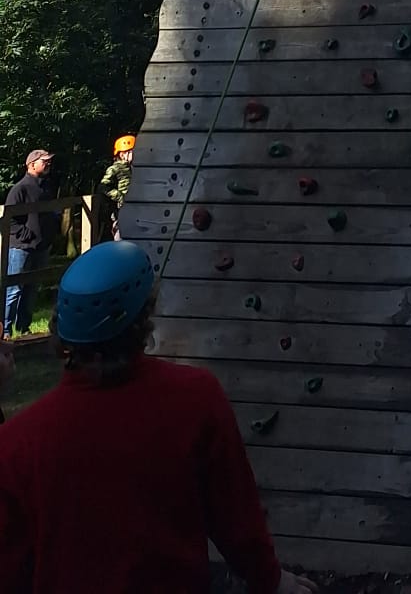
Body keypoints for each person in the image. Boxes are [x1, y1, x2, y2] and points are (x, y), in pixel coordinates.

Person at [0, 241, 315, 593]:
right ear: (144, 317)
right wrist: (272, 579)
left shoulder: (16, 444)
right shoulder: (195, 399)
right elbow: (236, 518)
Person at [4, 149, 60, 339]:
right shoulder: (20, 189)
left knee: (31, 290)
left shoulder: (46, 188)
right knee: (14, 290)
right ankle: (4, 331)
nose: (48, 164)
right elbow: (8, 219)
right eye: (44, 161)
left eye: (49, 161)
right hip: (21, 248)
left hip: (41, 247)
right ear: (31, 164)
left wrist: (51, 233)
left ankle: (24, 328)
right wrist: (25, 234)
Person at [101, 135, 136, 239]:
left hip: (135, 208)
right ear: (122, 154)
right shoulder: (114, 168)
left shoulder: (135, 168)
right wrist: (120, 197)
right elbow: (103, 187)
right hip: (121, 209)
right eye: (131, 151)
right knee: (121, 236)